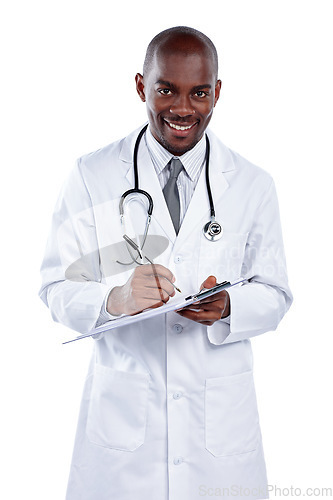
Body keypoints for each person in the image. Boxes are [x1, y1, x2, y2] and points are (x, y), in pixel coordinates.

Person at [39, 26, 292, 500]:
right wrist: (115, 299)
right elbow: (56, 285)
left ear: (217, 92)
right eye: (165, 90)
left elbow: (276, 293)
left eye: (198, 93)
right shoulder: (93, 174)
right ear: (141, 87)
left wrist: (230, 306)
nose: (182, 108)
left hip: (218, 430)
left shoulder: (253, 185)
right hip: (123, 438)